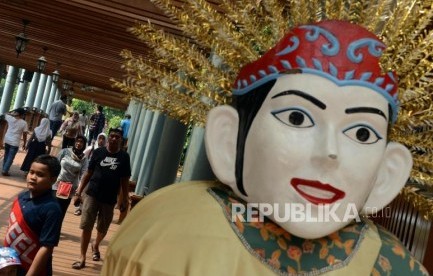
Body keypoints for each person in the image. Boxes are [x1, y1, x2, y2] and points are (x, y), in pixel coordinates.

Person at [101, 21, 428, 275]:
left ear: (387, 174)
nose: (329, 152)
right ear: (230, 140)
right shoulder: (170, 227)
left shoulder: (390, 266)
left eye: (361, 133)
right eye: (298, 117)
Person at [71, 127, 130, 270]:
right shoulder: (98, 152)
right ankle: (82, 257)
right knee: (86, 226)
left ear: (121, 140)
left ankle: (96, 244)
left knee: (103, 228)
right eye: (112, 136)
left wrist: (125, 200)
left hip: (109, 199)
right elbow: (88, 173)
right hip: (92, 194)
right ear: (108, 138)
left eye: (117, 137)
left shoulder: (124, 157)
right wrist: (79, 192)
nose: (114, 138)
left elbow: (124, 181)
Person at [4, 154, 62, 276]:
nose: (33, 177)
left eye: (40, 175)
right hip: (11, 265)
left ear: (53, 179)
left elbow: (46, 247)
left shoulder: (52, 209)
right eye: (31, 172)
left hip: (32, 269)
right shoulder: (21, 198)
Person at [53, 134, 88, 223]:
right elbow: (55, 164)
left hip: (70, 188)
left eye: (81, 142)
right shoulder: (65, 152)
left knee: (62, 210)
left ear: (84, 145)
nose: (79, 143)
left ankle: (56, 229)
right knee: (52, 207)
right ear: (74, 142)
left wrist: (79, 191)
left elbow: (84, 174)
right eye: (77, 141)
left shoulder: (84, 159)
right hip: (57, 184)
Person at [73, 132, 108, 216]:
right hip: (88, 172)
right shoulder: (91, 148)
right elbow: (83, 156)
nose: (101, 140)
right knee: (83, 190)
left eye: (103, 139)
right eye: (100, 138)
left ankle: (90, 210)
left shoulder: (106, 151)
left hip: (98, 175)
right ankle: (80, 208)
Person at [2, 108, 28, 176]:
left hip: (7, 139)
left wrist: (12, 114)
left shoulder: (10, 118)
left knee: (6, 155)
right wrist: (24, 143)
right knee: (10, 157)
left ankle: (4, 168)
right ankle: (5, 170)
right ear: (22, 115)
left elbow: (5, 113)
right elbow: (25, 134)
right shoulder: (24, 123)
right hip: (15, 142)